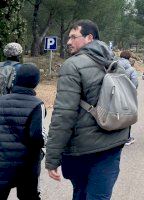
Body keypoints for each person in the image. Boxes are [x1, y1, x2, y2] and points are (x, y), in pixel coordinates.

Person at [45, 19, 129, 200]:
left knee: (81, 193)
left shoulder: (72, 65)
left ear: (89, 38)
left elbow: (63, 114)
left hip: (83, 148)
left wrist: (52, 157)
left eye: (73, 37)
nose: (68, 42)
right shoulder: (113, 61)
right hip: (113, 141)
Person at [0, 63, 46, 200]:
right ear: (36, 82)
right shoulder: (37, 104)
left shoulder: (1, 100)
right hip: (26, 166)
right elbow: (37, 137)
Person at [118, 50, 138, 146]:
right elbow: (135, 83)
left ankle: (115, 137)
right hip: (127, 95)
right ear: (129, 58)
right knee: (127, 115)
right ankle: (127, 138)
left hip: (115, 95)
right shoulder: (131, 69)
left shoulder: (113, 66)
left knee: (116, 114)